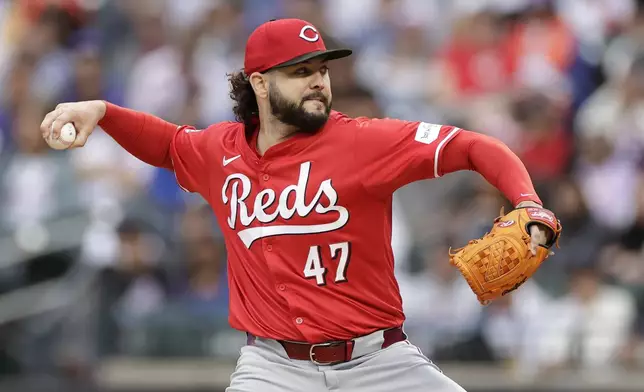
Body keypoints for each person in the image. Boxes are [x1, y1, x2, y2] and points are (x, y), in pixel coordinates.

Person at [41, 18, 555, 392]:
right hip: (272, 370)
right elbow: (167, 143)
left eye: (322, 69)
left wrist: (528, 203)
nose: (317, 80)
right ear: (260, 83)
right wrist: (103, 110)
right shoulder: (219, 152)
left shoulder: (365, 142)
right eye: (299, 70)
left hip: (381, 364)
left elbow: (472, 146)